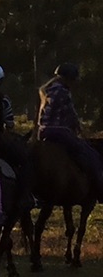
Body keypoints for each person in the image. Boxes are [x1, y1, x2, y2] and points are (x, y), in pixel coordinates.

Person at [37, 62, 103, 191]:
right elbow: (71, 115)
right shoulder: (62, 91)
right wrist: (80, 131)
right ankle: (99, 187)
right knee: (90, 154)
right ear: (67, 79)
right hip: (59, 131)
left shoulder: (47, 90)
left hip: (43, 131)